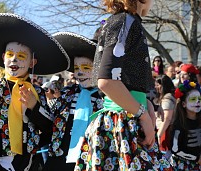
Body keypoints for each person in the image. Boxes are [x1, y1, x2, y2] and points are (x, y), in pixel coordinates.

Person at [74, 0, 173, 170]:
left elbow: (126, 80)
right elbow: (107, 82)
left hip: (127, 120)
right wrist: (143, 115)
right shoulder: (124, 22)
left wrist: (146, 104)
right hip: (123, 123)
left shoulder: (125, 21)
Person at [0, 13, 70, 171]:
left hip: (30, 163)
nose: (14, 60)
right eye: (10, 55)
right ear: (3, 57)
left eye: (21, 56)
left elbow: (48, 130)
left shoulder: (37, 91)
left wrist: (34, 107)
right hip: (1, 163)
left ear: (32, 62)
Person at [43, 32, 104, 171]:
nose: (80, 73)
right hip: (60, 159)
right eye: (77, 68)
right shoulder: (66, 94)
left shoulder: (107, 98)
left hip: (91, 160)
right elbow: (49, 121)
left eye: (86, 68)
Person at [171, 80, 201, 170]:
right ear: (184, 104)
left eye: (200, 99)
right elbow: (175, 149)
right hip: (185, 165)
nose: (198, 102)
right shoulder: (178, 124)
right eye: (193, 99)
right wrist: (197, 158)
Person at [154, 75, 176, 152]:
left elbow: (167, 118)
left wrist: (159, 134)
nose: (155, 87)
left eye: (158, 85)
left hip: (165, 131)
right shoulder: (171, 96)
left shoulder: (168, 98)